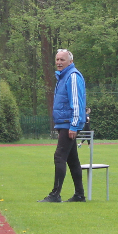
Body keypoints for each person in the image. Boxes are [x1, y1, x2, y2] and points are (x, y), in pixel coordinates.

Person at [39, 49, 87, 203]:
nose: (59, 62)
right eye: (57, 59)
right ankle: (79, 195)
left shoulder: (72, 76)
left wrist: (74, 125)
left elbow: (76, 102)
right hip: (63, 122)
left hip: (68, 123)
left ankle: (55, 194)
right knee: (72, 159)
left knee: (59, 156)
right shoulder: (62, 77)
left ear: (70, 62)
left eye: (62, 60)